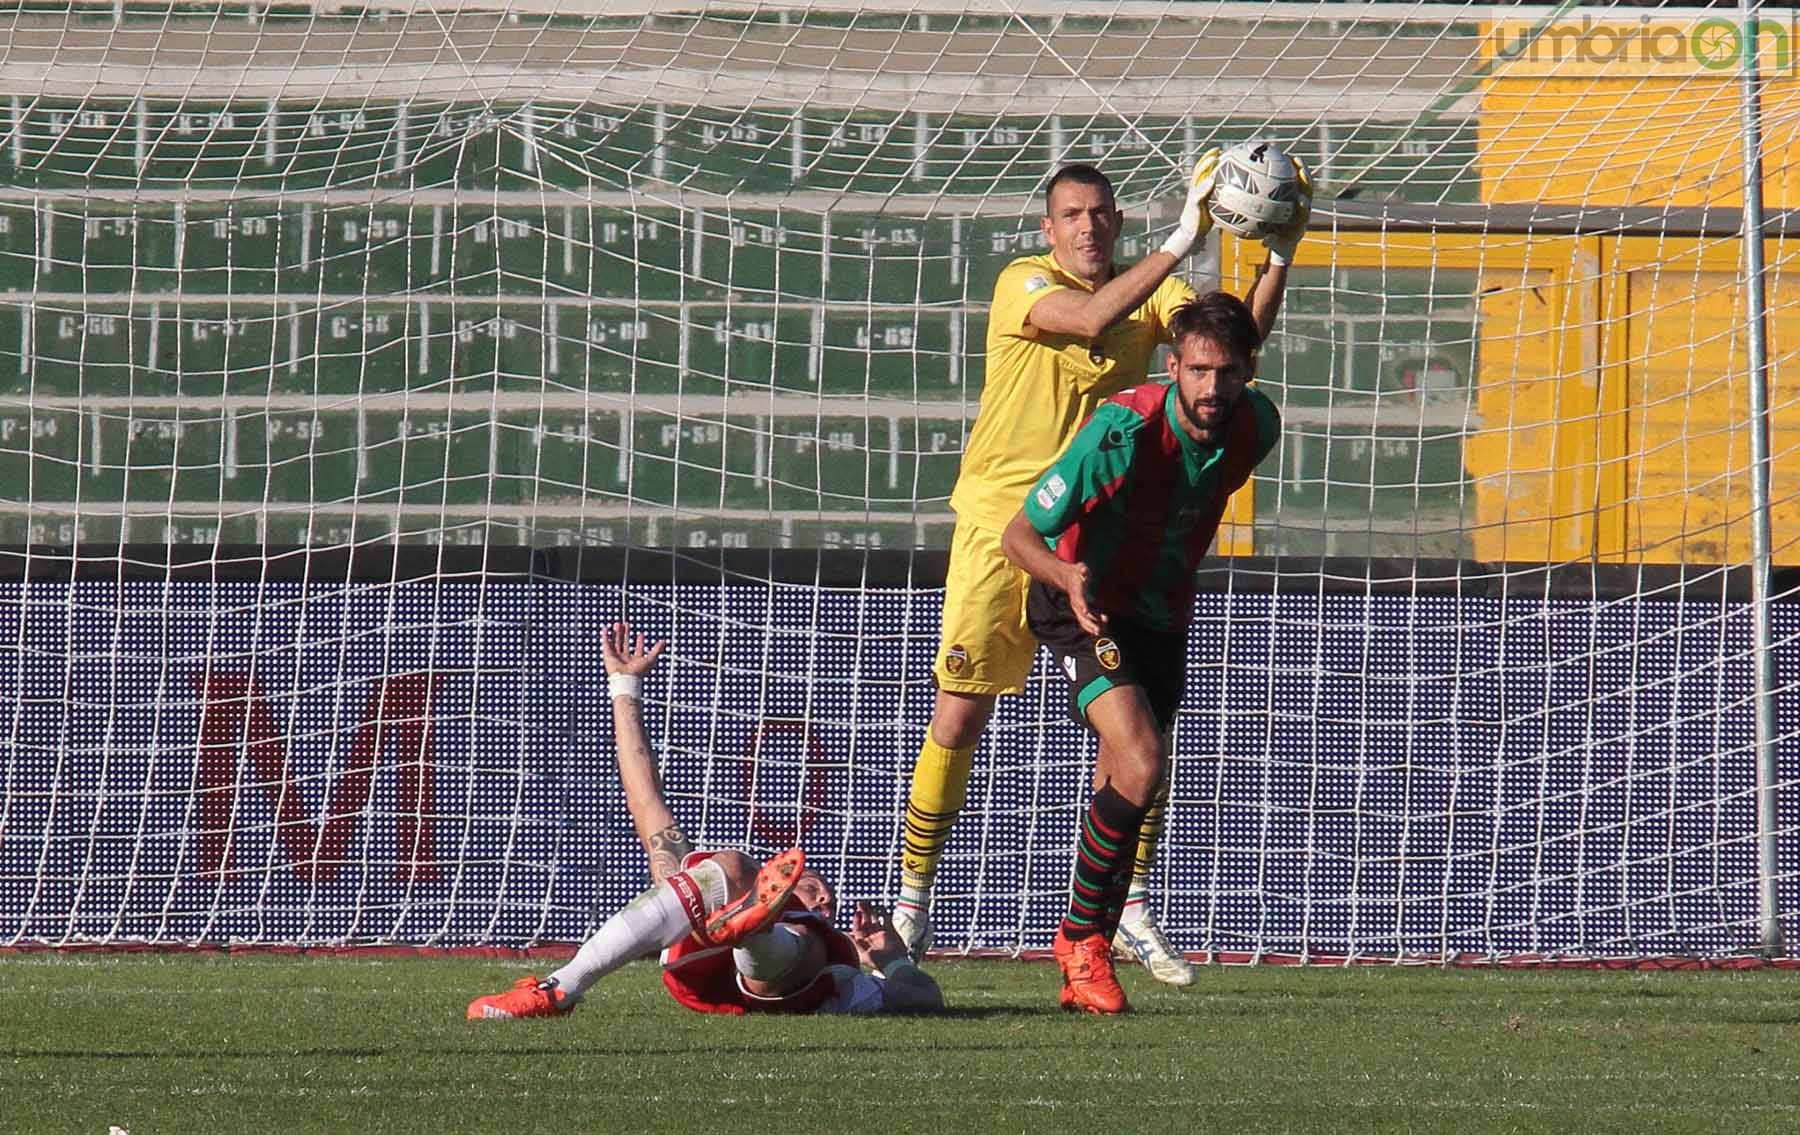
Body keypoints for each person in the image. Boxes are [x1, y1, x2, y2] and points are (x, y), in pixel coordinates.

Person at [895, 153, 1310, 984]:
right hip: (1001, 527)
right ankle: (912, 899)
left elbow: (1227, 346)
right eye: (1072, 215)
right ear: (1048, 230)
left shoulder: (1152, 290)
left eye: (1101, 213)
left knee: (1133, 739)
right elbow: (1087, 321)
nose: (1088, 226)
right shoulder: (1023, 282)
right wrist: (1187, 237)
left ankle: (1125, 907)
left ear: (1119, 223)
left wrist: (1278, 257)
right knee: (960, 714)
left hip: (1100, 536)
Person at [999, 291, 1282, 1014]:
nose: (1211, 387)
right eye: (1197, 370)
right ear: (1173, 366)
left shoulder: (1255, 424)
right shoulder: (1121, 430)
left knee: (1129, 776)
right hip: (1081, 603)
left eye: (1226, 372)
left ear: (1247, 370)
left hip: (1160, 619)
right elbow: (1019, 535)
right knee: (1145, 758)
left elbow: (1240, 339)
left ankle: (1082, 958)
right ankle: (1081, 942)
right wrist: (1066, 576)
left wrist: (1279, 254)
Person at [468, 623, 944, 1019]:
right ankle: (746, 926)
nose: (825, 898)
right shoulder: (702, 886)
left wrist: (889, 960)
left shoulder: (841, 971)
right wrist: (624, 687)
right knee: (730, 869)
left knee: (789, 923)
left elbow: (926, 999)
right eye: (809, 885)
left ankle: (565, 987)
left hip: (798, 982)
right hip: (712, 967)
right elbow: (645, 797)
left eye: (826, 901)